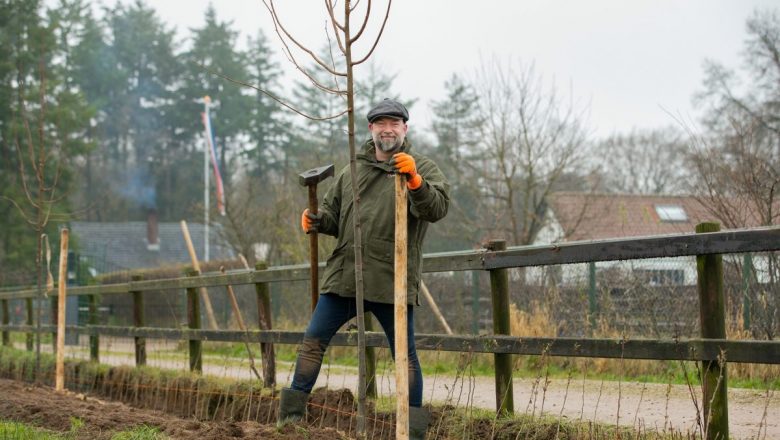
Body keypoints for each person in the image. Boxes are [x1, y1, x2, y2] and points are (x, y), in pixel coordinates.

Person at [278, 98, 450, 439]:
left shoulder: (422, 168)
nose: (387, 129)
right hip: (345, 277)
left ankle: (412, 432)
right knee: (312, 342)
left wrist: (415, 180)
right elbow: (332, 215)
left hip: (392, 280)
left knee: (406, 358)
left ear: (405, 129)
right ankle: (291, 422)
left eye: (394, 123)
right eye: (380, 123)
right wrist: (315, 220)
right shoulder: (351, 172)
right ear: (370, 129)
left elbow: (437, 208)